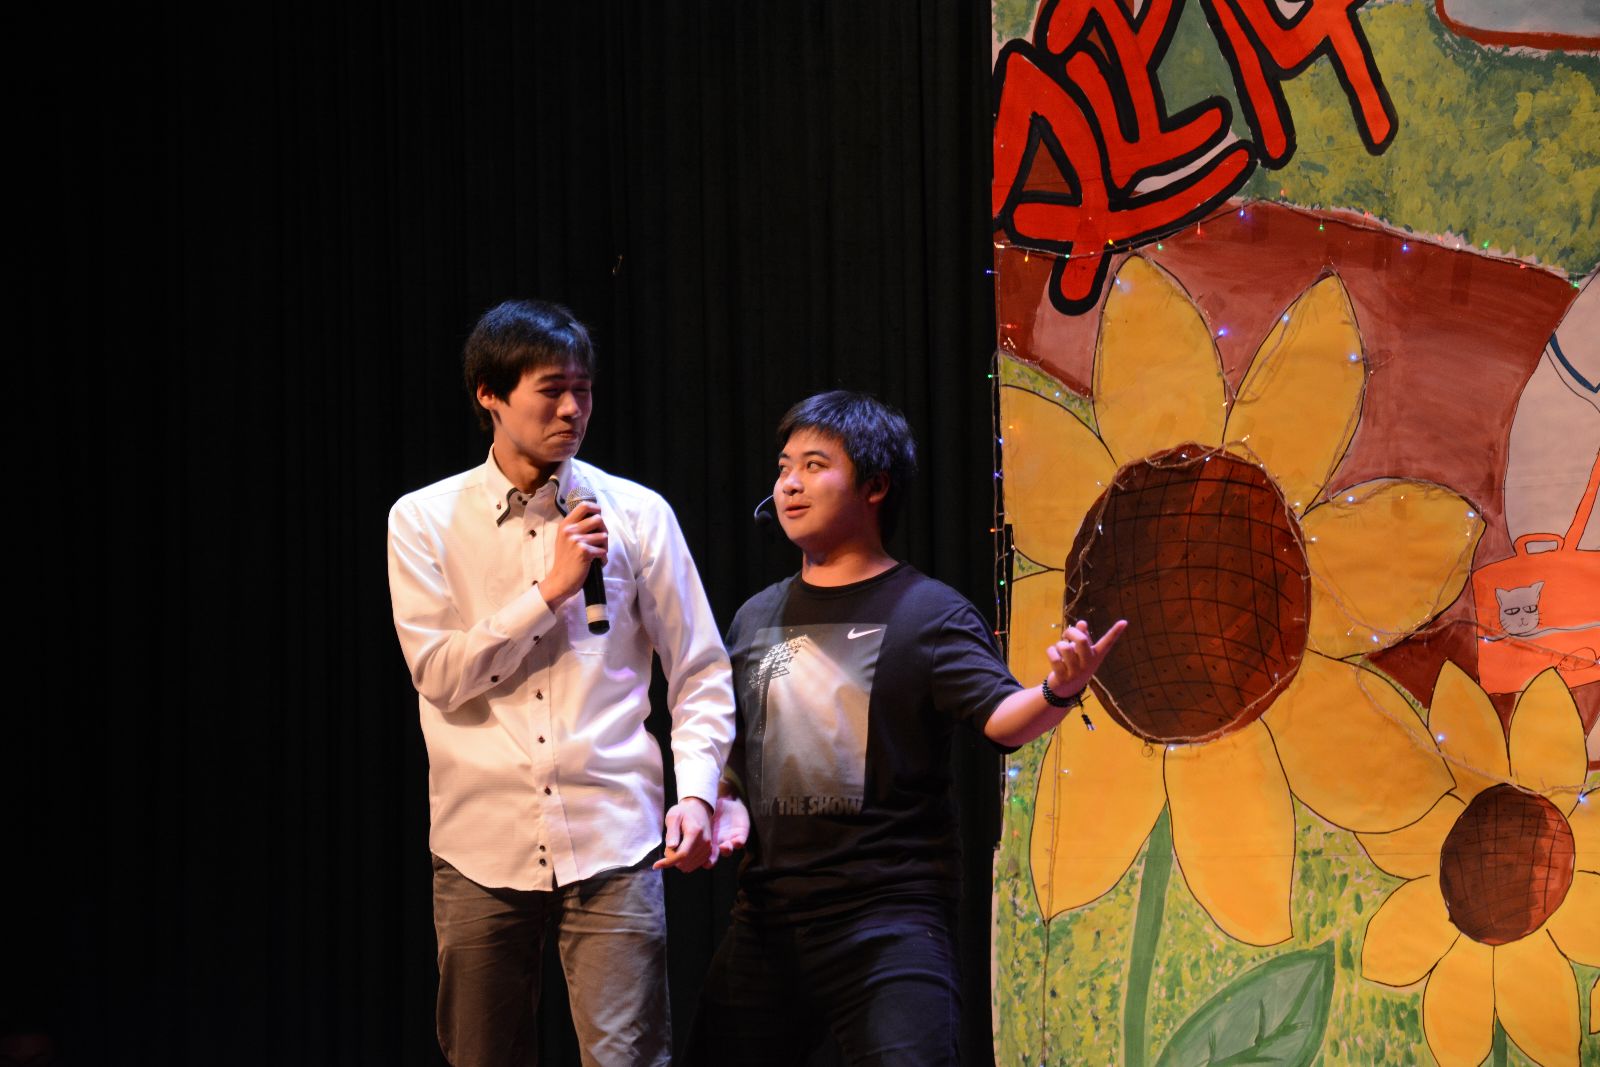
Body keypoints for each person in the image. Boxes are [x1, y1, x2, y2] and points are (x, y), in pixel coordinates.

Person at [687, 391, 1124, 1066]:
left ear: (875, 486)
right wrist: (724, 799)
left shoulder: (927, 612)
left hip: (888, 919)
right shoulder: (755, 617)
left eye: (814, 465)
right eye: (783, 468)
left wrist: (1058, 689)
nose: (790, 484)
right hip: (769, 918)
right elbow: (742, 749)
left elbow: (1002, 719)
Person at [386, 299, 735, 1067]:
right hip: (481, 839)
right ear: (489, 393)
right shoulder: (423, 520)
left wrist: (698, 792)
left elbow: (701, 670)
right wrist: (548, 593)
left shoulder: (637, 513)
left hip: (614, 832)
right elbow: (440, 675)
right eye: (551, 390)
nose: (573, 409)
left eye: (583, 389)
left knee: (629, 1057)